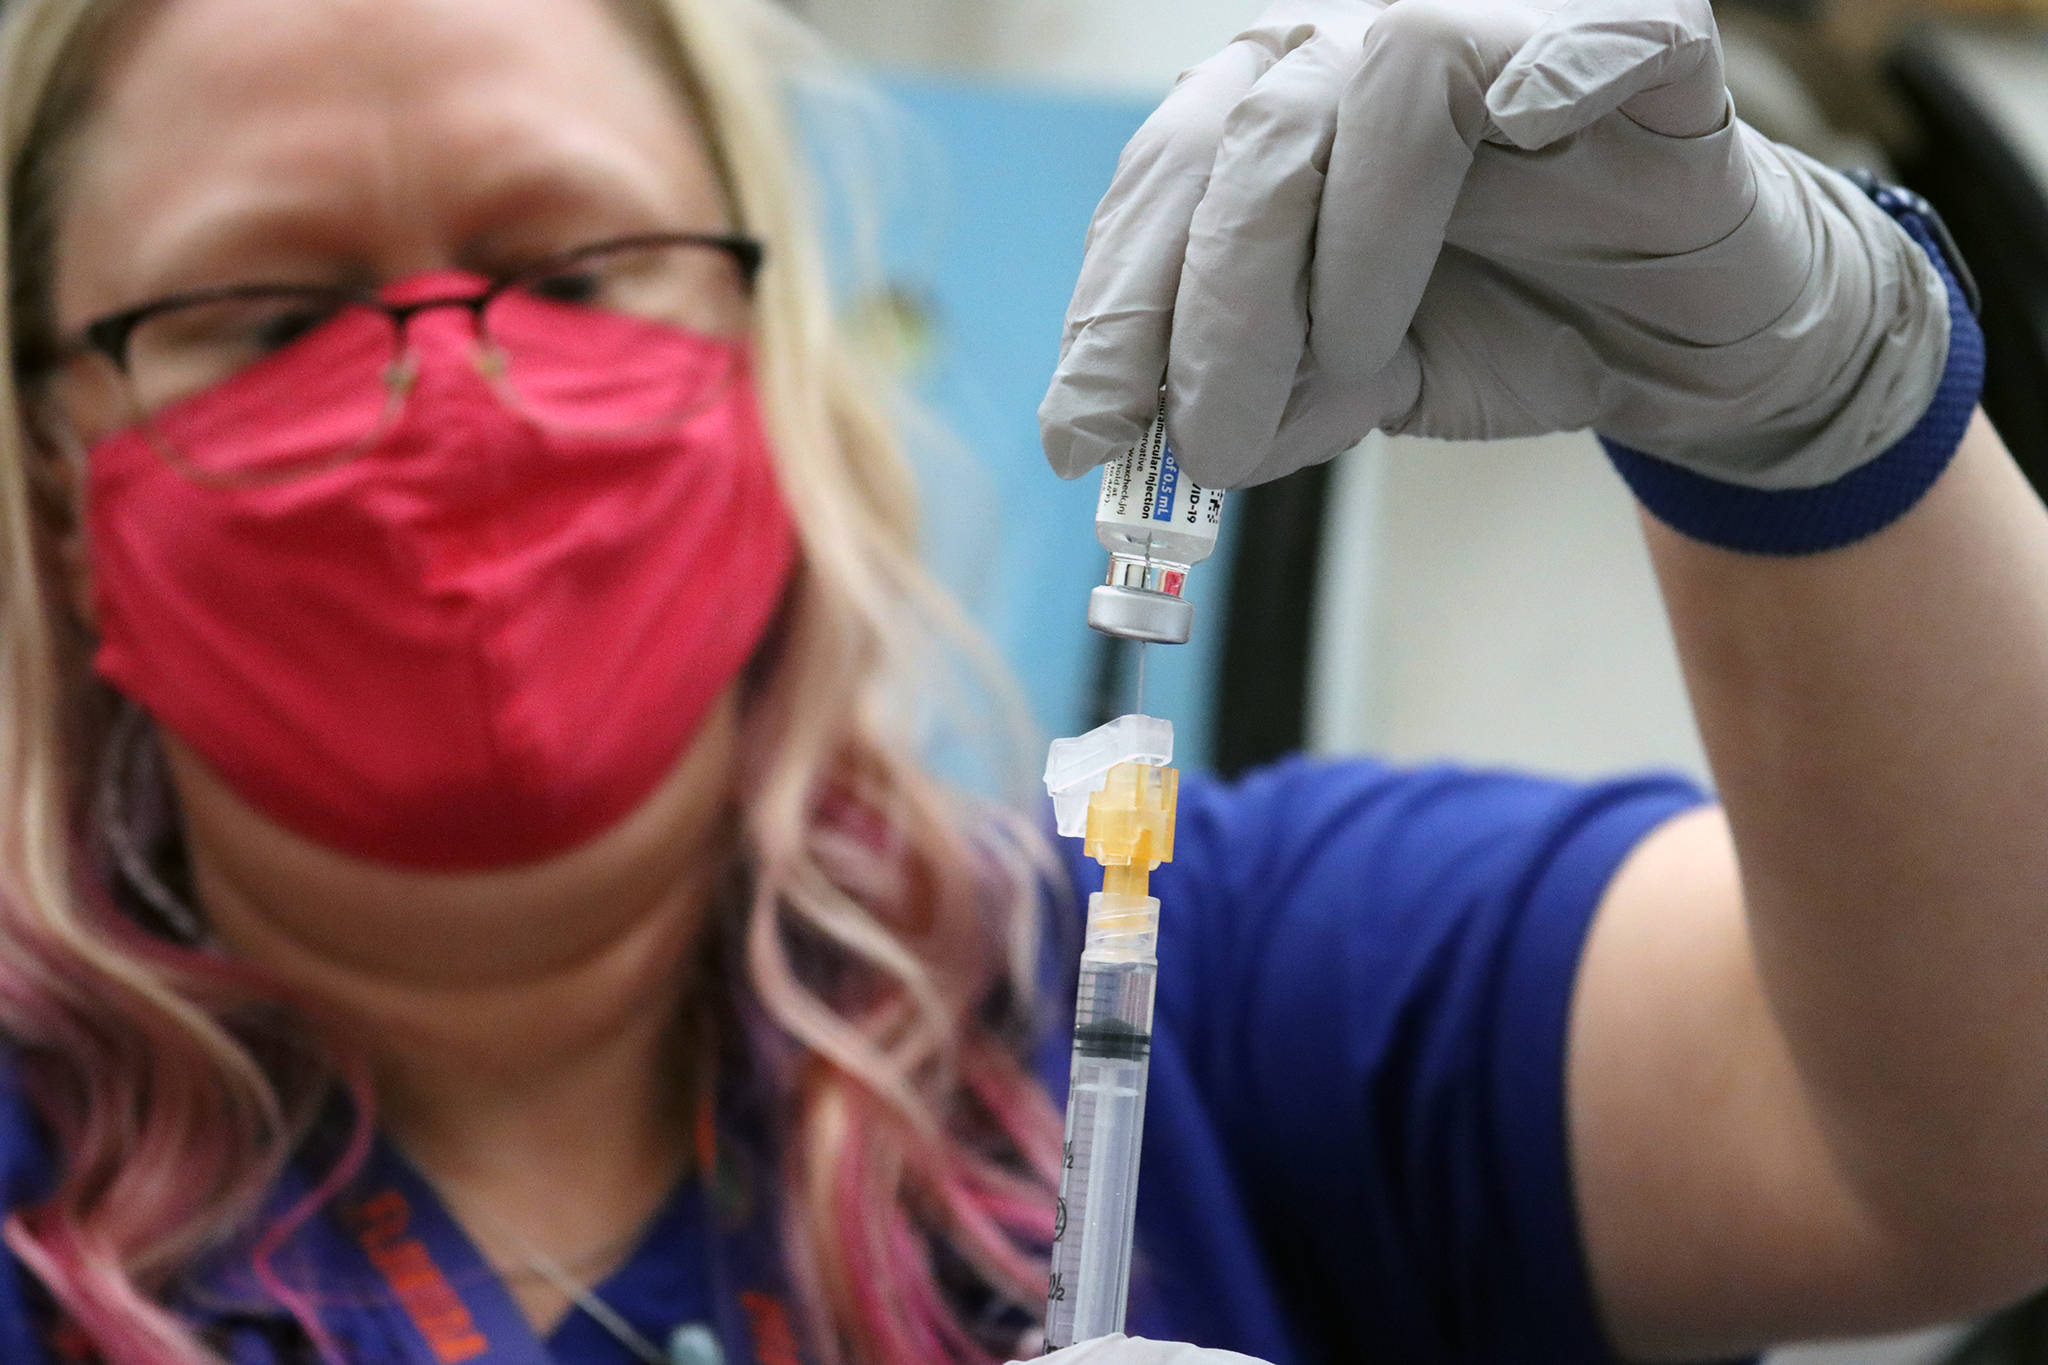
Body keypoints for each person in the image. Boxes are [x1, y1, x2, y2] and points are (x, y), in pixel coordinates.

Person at [0, 0, 2040, 1361]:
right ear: (54, 478)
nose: (458, 389)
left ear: (771, 352)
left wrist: (1812, 395)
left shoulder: (1230, 987)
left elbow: (1972, 1132)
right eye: (263, 312)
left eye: (571, 270)